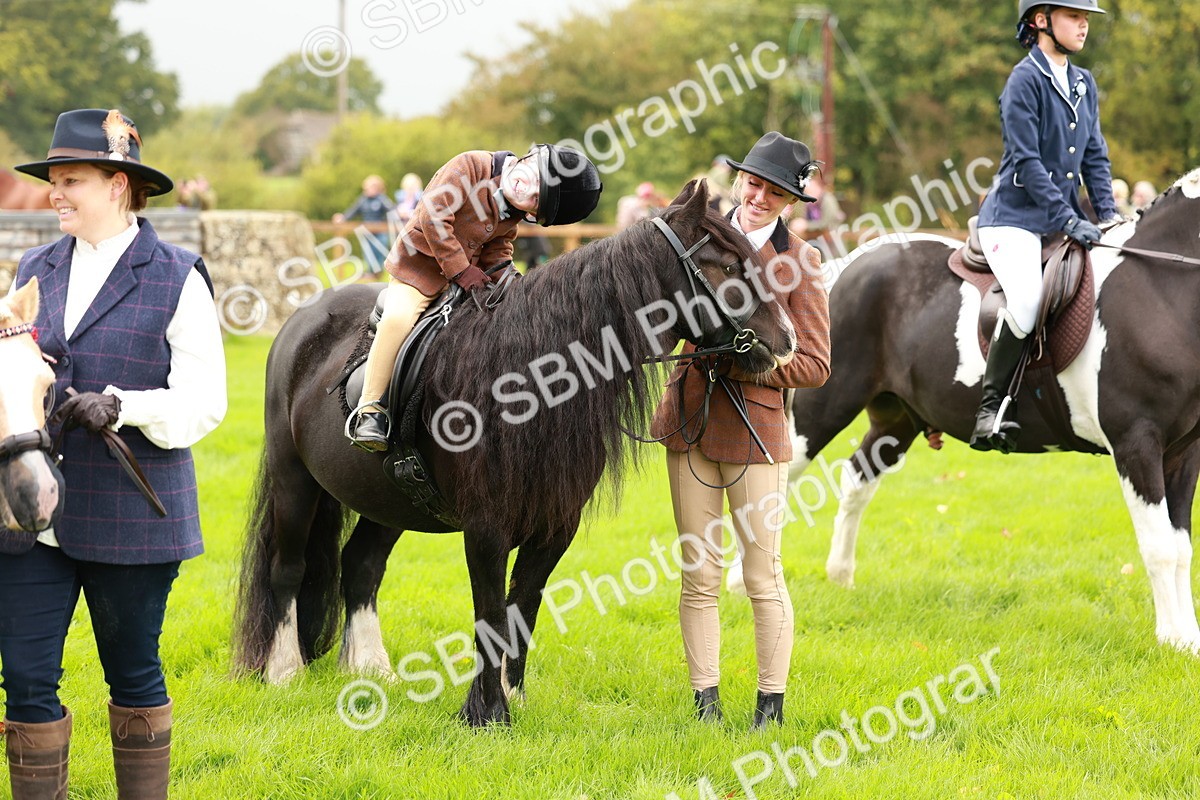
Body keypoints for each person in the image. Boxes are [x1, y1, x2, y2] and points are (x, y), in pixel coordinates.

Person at [3, 108, 226, 798]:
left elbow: (204, 402)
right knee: (28, 675)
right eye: (54, 180)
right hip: (28, 515)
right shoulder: (32, 267)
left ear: (120, 185)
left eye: (71, 180)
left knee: (132, 670)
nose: (55, 193)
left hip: (132, 511)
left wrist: (124, 405)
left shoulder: (178, 276)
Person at [650, 132, 831, 729]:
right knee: (698, 574)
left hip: (756, 434)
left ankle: (769, 709)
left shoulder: (799, 261)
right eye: (753, 182)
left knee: (761, 574)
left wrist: (751, 357)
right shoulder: (692, 237)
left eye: (774, 192)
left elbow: (815, 364)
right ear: (739, 180)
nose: (758, 196)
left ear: (787, 202)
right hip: (689, 424)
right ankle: (705, 705)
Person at [346, 144, 603, 450]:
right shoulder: (471, 165)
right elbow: (433, 218)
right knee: (398, 320)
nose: (527, 192)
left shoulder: (512, 212)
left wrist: (518, 289)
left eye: (535, 202)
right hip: (419, 271)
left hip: (464, 281)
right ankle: (370, 409)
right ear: (531, 157)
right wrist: (462, 270)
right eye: (535, 180)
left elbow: (498, 250)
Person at [971, 0, 1120, 453]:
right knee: (1029, 297)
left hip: (1058, 220)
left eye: (1086, 18)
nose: (1083, 25)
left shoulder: (1082, 82)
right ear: (1041, 21)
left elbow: (1094, 154)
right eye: (1075, 16)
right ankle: (990, 408)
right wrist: (1070, 220)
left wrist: (1110, 217)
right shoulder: (1024, 80)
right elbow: (1028, 163)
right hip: (1014, 220)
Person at [334, 174, 396, 272]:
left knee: (380, 251)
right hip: (367, 232)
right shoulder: (362, 200)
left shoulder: (382, 199)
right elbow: (352, 211)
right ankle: (371, 272)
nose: (368, 189)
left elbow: (392, 210)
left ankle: (379, 271)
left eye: (371, 187)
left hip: (380, 232)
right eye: (367, 187)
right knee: (368, 253)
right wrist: (342, 217)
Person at [787, 171, 845, 260]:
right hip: (814, 239)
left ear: (819, 189)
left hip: (831, 240)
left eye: (811, 191)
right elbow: (799, 217)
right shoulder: (808, 203)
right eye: (806, 192)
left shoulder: (828, 200)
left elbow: (826, 224)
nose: (808, 195)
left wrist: (806, 225)